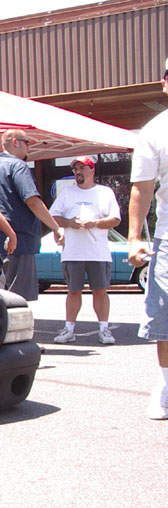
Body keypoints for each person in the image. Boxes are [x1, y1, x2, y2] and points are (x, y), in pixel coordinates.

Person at [128, 57, 168, 419]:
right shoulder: (155, 131)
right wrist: (134, 236)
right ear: (165, 84)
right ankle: (166, 385)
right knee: (165, 316)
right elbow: (141, 188)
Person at [0, 129, 64, 300]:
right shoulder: (18, 166)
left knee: (0, 296)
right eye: (27, 142)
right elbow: (32, 201)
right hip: (17, 240)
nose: (29, 147)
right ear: (15, 142)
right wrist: (56, 228)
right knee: (17, 299)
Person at [49, 156, 120, 345]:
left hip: (98, 253)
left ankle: (104, 330)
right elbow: (53, 216)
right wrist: (69, 223)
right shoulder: (67, 193)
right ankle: (69, 330)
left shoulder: (104, 192)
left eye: (82, 168)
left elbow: (115, 219)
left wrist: (94, 223)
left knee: (100, 291)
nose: (78, 172)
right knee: (73, 291)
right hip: (72, 252)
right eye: (75, 169)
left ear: (92, 170)